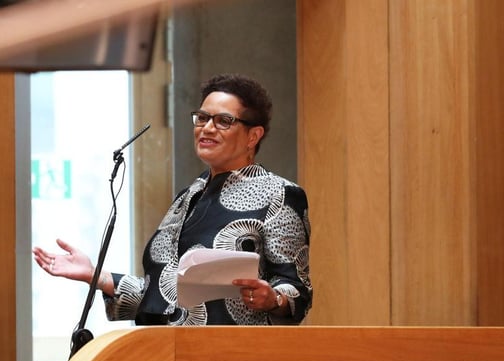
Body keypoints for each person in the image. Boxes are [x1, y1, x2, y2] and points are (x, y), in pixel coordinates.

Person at [32, 73, 312, 326]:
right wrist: (96, 275)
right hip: (166, 356)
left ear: (253, 135)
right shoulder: (187, 197)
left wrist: (274, 299)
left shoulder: (280, 194)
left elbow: (297, 289)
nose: (207, 128)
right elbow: (163, 293)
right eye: (202, 118)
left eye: (223, 121)